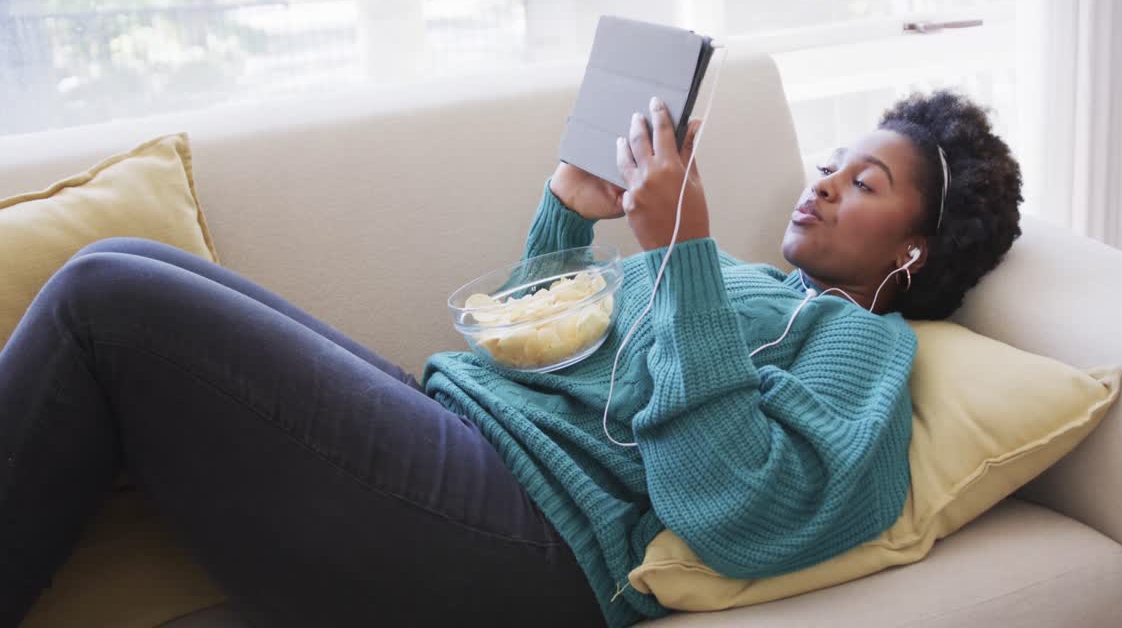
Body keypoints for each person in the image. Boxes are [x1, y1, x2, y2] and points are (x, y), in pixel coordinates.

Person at [0, 89, 1022, 628]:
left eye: (866, 182)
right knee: (128, 263)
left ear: (912, 250)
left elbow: (740, 510)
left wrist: (679, 258)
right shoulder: (748, 284)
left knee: (110, 300)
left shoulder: (864, 355)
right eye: (832, 162)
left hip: (525, 548)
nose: (826, 181)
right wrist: (570, 220)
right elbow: (549, 348)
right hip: (462, 441)